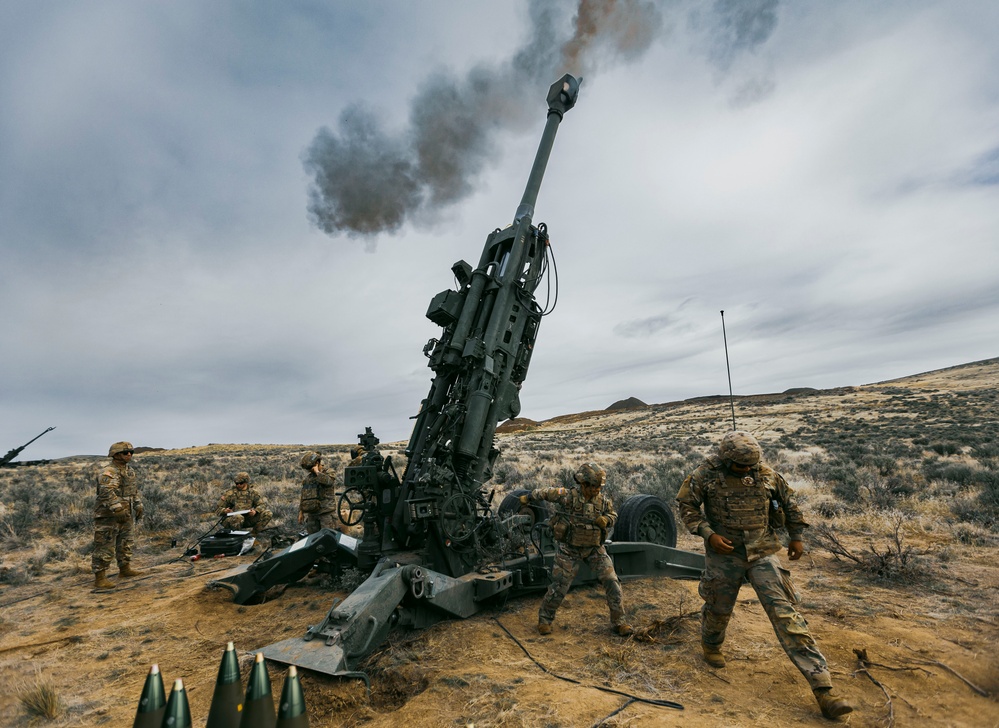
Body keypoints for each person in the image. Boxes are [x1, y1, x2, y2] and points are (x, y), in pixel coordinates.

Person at [676, 431, 854, 720]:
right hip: (725, 552)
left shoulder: (767, 475)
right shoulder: (704, 474)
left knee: (786, 614)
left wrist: (796, 536)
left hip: (762, 550)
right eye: (740, 466)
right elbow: (687, 507)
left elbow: (789, 504)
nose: (747, 470)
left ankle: (824, 690)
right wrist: (708, 534)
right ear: (725, 460)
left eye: (751, 465)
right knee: (719, 607)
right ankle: (711, 645)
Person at [520, 462, 632, 636]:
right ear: (583, 483)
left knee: (612, 581)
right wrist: (528, 498)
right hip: (569, 550)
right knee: (559, 585)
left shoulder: (603, 501)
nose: (596, 490)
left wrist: (607, 520)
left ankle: (620, 622)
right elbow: (545, 492)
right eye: (593, 486)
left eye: (598, 487)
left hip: (594, 549)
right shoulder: (567, 496)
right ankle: (545, 619)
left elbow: (613, 514)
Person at [92, 441, 145, 589]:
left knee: (125, 541)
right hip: (108, 515)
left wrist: (138, 504)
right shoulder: (108, 472)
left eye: (131, 452)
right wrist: (117, 508)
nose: (129, 455)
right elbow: (106, 492)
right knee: (104, 544)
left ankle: (125, 568)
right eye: (125, 452)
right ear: (115, 454)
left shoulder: (129, 471)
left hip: (126, 513)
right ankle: (100, 577)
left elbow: (132, 491)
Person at [298, 452, 338, 533]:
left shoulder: (328, 472)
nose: (309, 471)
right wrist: (301, 512)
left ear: (317, 463)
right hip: (312, 515)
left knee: (328, 538)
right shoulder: (308, 479)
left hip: (326, 514)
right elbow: (304, 496)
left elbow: (329, 482)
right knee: (313, 540)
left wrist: (317, 472)